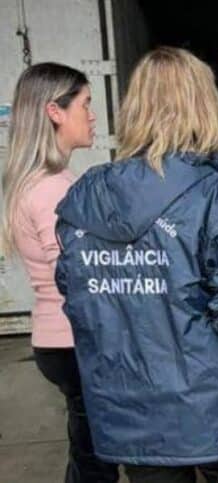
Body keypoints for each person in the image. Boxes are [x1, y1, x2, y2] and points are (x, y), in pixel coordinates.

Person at [53, 47, 218, 482]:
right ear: (204, 105)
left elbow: (75, 294)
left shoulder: (86, 196)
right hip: (216, 411)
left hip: (128, 416)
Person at [1, 63, 118, 483]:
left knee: (89, 456)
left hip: (56, 338)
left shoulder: (36, 180)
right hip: (75, 340)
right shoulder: (52, 187)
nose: (92, 115)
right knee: (97, 464)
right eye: (85, 104)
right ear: (55, 111)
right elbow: (75, 276)